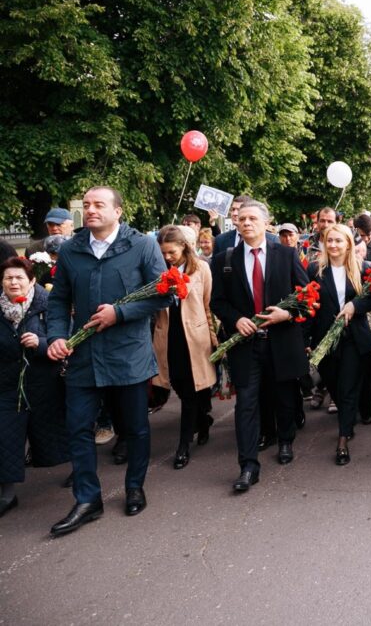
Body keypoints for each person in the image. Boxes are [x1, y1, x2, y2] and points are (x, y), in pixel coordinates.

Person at [46, 186, 170, 535]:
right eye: (86, 205)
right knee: (78, 428)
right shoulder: (71, 250)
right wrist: (56, 336)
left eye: (99, 204)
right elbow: (59, 301)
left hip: (128, 354)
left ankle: (135, 486)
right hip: (84, 356)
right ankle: (88, 499)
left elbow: (165, 295)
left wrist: (120, 313)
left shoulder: (142, 246)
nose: (90, 210)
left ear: (118, 211)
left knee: (135, 427)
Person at [209, 200, 310, 492]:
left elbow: (306, 295)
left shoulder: (286, 254)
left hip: (281, 339)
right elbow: (217, 301)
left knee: (284, 395)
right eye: (241, 219)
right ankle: (248, 466)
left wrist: (286, 314)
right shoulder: (225, 259)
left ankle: (286, 440)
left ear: (267, 223)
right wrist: (236, 319)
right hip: (245, 344)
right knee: (246, 404)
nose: (246, 223)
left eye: (253, 218)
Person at [0, 257, 69, 518]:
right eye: (8, 278)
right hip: (7, 384)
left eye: (19, 277)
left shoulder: (47, 304)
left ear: (31, 281)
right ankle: (7, 495)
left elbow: (65, 338)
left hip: (44, 382)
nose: (13, 282)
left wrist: (40, 343)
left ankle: (80, 471)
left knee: (58, 431)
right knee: (5, 435)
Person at [306, 224, 371, 466]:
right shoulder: (315, 269)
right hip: (325, 339)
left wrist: (355, 305)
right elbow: (308, 304)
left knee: (346, 388)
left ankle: (343, 440)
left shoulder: (363, 268)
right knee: (335, 386)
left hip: (353, 339)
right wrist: (306, 340)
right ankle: (350, 418)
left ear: (348, 244)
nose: (333, 245)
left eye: (338, 241)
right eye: (330, 240)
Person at [152, 227, 217, 470]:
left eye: (172, 252)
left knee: (192, 390)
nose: (167, 257)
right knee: (180, 386)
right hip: (169, 337)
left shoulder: (201, 269)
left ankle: (183, 445)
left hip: (195, 338)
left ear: (184, 247)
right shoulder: (157, 271)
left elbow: (208, 304)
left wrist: (214, 339)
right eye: (163, 252)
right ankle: (203, 420)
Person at [212, 195, 280, 254]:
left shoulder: (272, 240)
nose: (234, 213)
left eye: (239, 209)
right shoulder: (220, 240)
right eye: (233, 209)